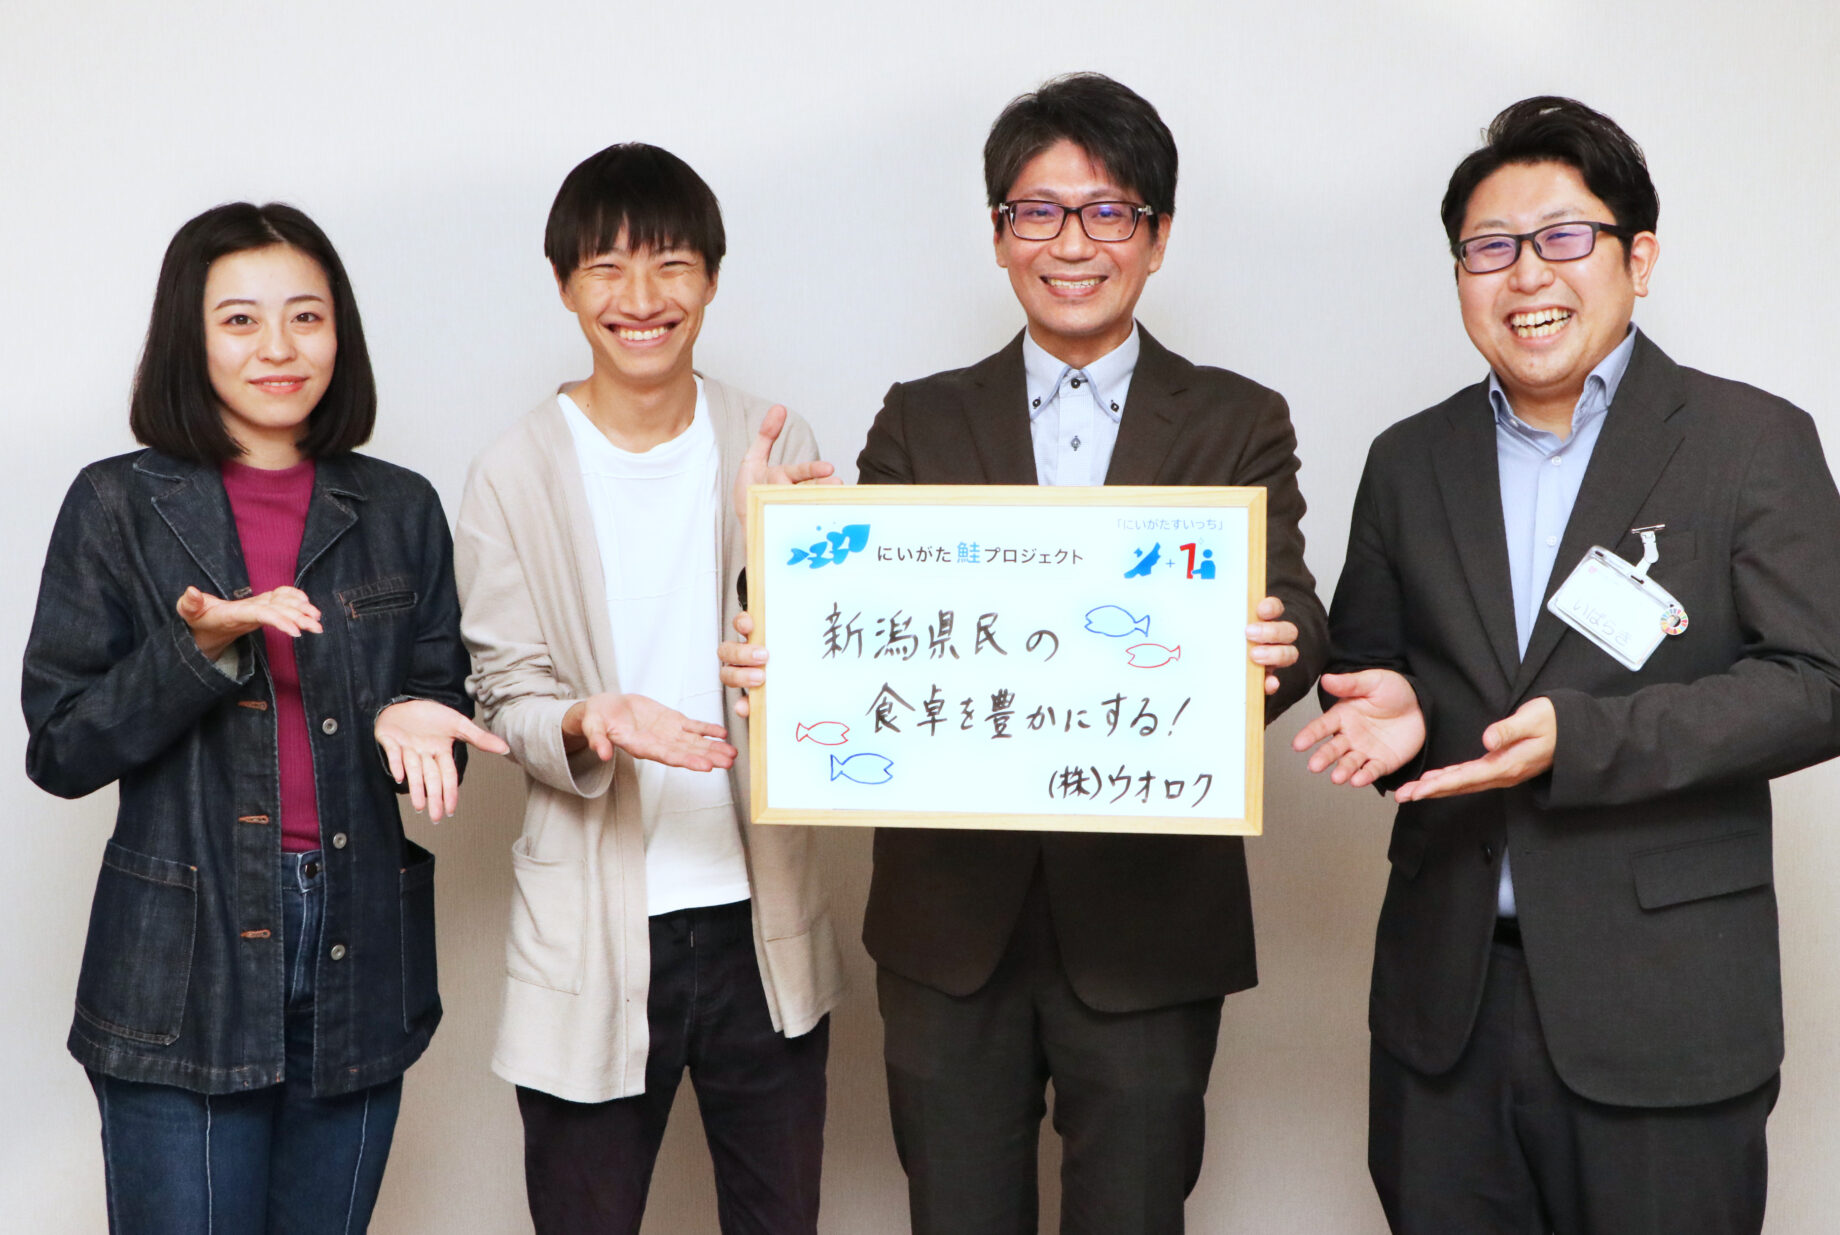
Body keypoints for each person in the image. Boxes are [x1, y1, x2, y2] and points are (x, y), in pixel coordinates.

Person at [722, 73, 1327, 1235]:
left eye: (1108, 212)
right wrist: (772, 557)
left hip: (1152, 926)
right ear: (1000, 233)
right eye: (1038, 211)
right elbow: (851, 613)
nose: (1072, 243)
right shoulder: (922, 415)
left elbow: (1291, 607)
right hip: (950, 923)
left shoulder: (1238, 418)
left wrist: (1271, 644)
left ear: (1157, 235)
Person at [1293, 96, 1840, 1234]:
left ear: (1637, 258)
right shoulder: (1409, 460)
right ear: (1461, 274)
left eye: (1563, 236)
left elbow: (1825, 685)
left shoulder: (1748, 441)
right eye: (1490, 248)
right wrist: (1391, 711)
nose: (1527, 274)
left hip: (1664, 1005)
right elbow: (1370, 669)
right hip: (1445, 1014)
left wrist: (1584, 736)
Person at [23, 202, 501, 1234]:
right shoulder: (118, 504)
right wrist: (198, 648)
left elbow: (437, 694)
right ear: (189, 338)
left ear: (340, 332)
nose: (278, 347)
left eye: (306, 317)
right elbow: (61, 746)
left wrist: (414, 713)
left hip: (359, 945)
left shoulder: (400, 508)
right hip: (180, 961)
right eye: (240, 319)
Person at [454, 143, 841, 1235]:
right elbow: (505, 693)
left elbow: (830, 669)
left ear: (711, 277)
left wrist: (782, 544)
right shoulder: (511, 472)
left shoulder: (773, 439)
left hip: (760, 920)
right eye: (606, 267)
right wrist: (593, 718)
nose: (640, 297)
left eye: (670, 263)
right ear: (564, 285)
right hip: (591, 926)